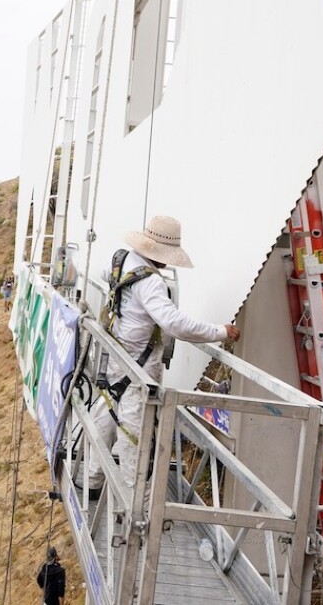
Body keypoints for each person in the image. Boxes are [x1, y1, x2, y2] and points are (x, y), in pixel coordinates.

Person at [86, 216, 240, 504]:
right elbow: (174, 324)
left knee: (105, 412)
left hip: (116, 357)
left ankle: (92, 481)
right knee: (135, 438)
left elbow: (104, 278)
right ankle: (137, 511)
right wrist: (220, 332)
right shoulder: (151, 283)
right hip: (137, 370)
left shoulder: (121, 260)